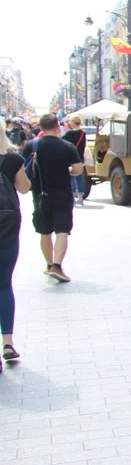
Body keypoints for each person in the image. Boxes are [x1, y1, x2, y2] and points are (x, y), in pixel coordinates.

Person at [22, 114, 83, 283]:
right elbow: (78, 169)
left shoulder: (31, 145)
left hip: (40, 194)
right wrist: (68, 170)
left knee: (44, 231)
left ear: (40, 128)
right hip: (62, 194)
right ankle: (57, 265)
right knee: (62, 231)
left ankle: (49, 265)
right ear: (57, 126)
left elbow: (22, 167)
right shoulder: (67, 146)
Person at [0, 130, 32, 366]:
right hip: (6, 229)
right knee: (3, 284)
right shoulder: (12, 159)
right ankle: (8, 343)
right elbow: (24, 189)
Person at [63, 115, 88, 205]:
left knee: (72, 177)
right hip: (80, 157)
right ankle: (80, 197)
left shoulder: (69, 134)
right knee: (79, 177)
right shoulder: (83, 133)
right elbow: (84, 145)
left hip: (71, 157)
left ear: (73, 123)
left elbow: (63, 142)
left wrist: (66, 129)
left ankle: (73, 197)